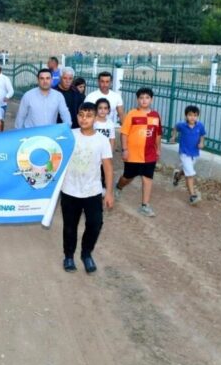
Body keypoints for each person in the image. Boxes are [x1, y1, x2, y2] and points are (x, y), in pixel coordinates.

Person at [60, 102, 114, 273]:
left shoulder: (102, 141)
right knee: (70, 226)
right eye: (81, 115)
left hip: (92, 190)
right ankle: (69, 256)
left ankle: (86, 254)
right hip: (70, 189)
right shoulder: (69, 136)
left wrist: (109, 193)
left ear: (95, 118)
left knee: (95, 223)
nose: (84, 119)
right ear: (77, 117)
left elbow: (108, 167)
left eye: (89, 115)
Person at [114, 88, 162, 217]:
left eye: (147, 97)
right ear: (137, 100)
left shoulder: (156, 115)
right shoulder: (132, 114)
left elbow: (158, 134)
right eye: (141, 98)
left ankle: (144, 205)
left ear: (151, 99)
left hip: (149, 155)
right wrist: (125, 150)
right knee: (128, 177)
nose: (144, 100)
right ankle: (118, 186)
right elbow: (124, 133)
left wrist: (158, 149)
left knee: (147, 179)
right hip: (133, 154)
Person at [170, 105, 206, 205]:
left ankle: (177, 175)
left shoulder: (200, 126)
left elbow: (202, 135)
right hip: (184, 153)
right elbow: (175, 128)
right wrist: (173, 137)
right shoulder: (182, 125)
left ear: (197, 116)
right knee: (190, 174)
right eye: (190, 115)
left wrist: (202, 143)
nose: (192, 117)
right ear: (186, 116)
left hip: (195, 153)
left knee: (187, 170)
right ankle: (192, 196)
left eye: (195, 115)